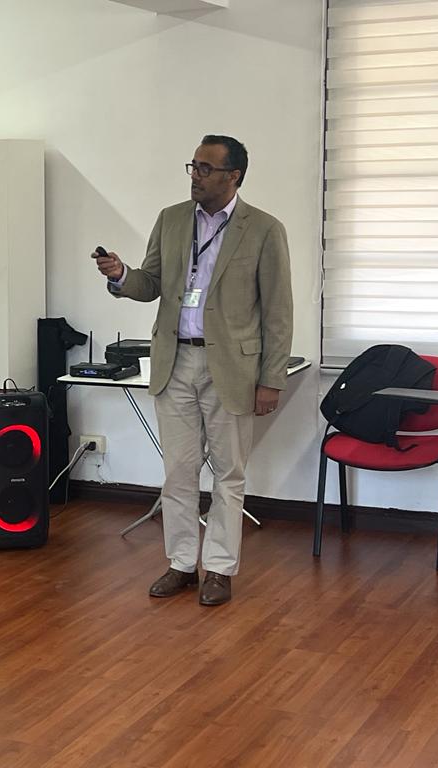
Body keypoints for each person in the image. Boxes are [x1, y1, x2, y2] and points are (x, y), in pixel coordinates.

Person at [94, 135, 293, 606]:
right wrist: (121, 275)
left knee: (228, 474)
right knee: (178, 472)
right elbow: (151, 283)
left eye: (206, 168)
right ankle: (182, 563)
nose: (195, 176)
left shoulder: (264, 229)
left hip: (233, 367)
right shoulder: (172, 219)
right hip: (174, 360)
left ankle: (219, 569)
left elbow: (278, 312)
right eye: (194, 166)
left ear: (233, 176)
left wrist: (271, 380)